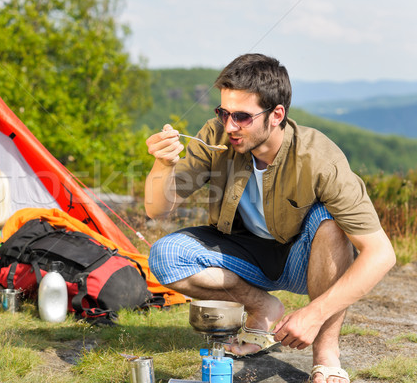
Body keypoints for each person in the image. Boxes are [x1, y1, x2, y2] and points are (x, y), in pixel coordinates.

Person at [144, 54, 396, 383]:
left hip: (302, 257)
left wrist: (314, 313)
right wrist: (163, 166)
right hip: (243, 252)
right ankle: (262, 308)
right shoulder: (215, 137)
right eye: (223, 113)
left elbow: (381, 253)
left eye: (242, 117)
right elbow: (157, 209)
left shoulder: (319, 157)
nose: (229, 126)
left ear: (276, 115)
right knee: (165, 256)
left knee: (330, 221)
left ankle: (326, 356)